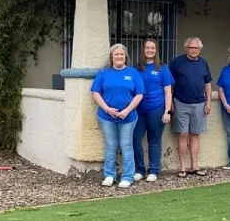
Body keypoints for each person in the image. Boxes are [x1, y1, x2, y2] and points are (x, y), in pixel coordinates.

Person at [91, 43, 145, 189]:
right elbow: (96, 93)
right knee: (110, 145)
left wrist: (127, 110)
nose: (119, 57)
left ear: (125, 57)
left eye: (122, 54)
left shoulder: (133, 73)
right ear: (112, 57)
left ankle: (127, 177)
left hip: (128, 117)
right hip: (107, 117)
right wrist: (107, 109)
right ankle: (109, 175)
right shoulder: (103, 73)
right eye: (116, 54)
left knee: (126, 145)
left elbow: (139, 94)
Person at [168, 37, 214, 177]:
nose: (194, 50)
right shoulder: (177, 62)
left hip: (199, 103)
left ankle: (194, 166)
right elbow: (169, 83)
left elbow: (207, 84)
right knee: (182, 134)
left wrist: (208, 102)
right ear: (186, 48)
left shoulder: (203, 63)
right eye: (191, 48)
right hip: (180, 103)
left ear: (200, 49)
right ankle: (182, 167)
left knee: (195, 135)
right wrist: (170, 102)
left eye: (196, 48)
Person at [132, 39, 173, 182]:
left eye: (153, 48)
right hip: (138, 111)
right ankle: (139, 170)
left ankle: (154, 170)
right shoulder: (136, 69)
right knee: (135, 139)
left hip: (157, 109)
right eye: (147, 48)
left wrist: (167, 111)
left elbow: (168, 92)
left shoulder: (162, 69)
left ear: (156, 51)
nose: (150, 50)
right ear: (143, 50)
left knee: (154, 141)